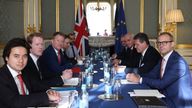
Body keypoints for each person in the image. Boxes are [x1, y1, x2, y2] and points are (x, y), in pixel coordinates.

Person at [126, 32, 192, 108]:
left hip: (177, 103)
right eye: (159, 43)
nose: (161, 45)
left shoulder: (178, 63)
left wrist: (140, 79)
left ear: (172, 44)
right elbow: (152, 74)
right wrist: (136, 76)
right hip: (164, 97)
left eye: (165, 42)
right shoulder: (163, 59)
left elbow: (161, 84)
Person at [0, 38, 60, 108]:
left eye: (24, 56)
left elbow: (38, 85)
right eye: (16, 56)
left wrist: (49, 91)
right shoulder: (1, 76)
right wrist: (46, 97)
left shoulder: (25, 71)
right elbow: (14, 101)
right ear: (7, 57)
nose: (21, 60)